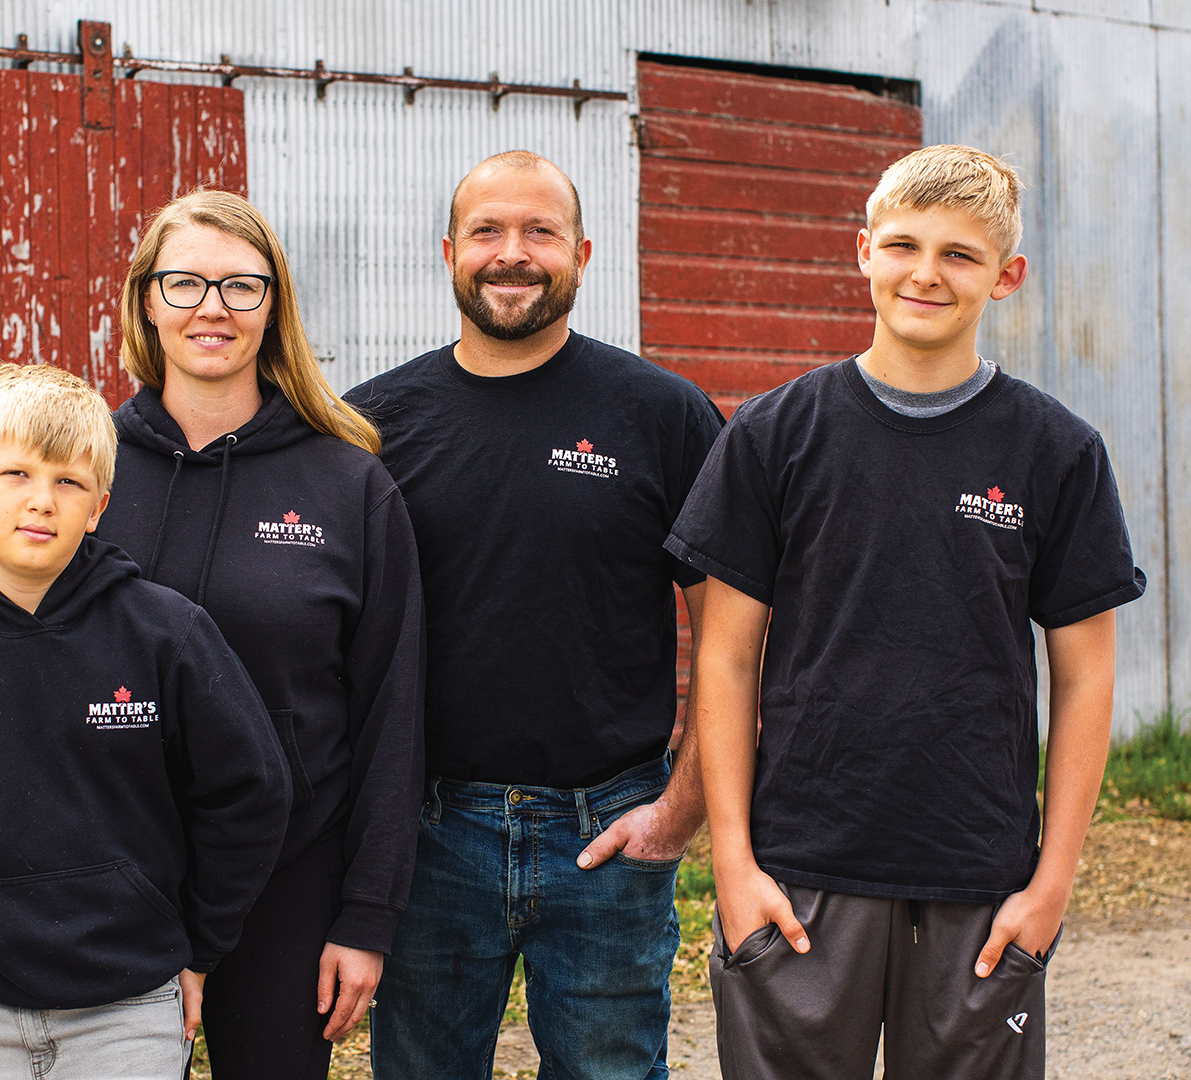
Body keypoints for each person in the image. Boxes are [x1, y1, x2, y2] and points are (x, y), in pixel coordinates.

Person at [666, 144, 1146, 1080]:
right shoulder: (775, 433)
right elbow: (723, 659)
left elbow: (1086, 676)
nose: (926, 274)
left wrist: (1051, 885)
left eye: (960, 255)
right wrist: (733, 862)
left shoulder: (1056, 450)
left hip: (980, 873)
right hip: (801, 871)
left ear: (1005, 276)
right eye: (903, 245)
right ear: (862, 252)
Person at [344, 151, 724, 1080]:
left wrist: (680, 809)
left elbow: (736, 637)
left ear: (583, 254)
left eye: (539, 232)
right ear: (448, 253)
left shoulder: (663, 415)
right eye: (488, 231)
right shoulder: (372, 427)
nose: (512, 254)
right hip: (430, 833)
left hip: (609, 829)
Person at [0, 363, 292, 1080]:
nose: (41, 502)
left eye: (69, 482)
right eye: (15, 474)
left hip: (129, 1010)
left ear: (100, 504)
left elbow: (253, 792)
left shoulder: (167, 636)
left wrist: (200, 949)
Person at [95, 189, 424, 1080]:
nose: (212, 308)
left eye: (241, 286)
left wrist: (365, 916)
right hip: (110, 870)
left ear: (273, 306)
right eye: (186, 283)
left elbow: (393, 712)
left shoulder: (347, 484)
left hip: (289, 878)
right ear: (145, 301)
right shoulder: (82, 468)